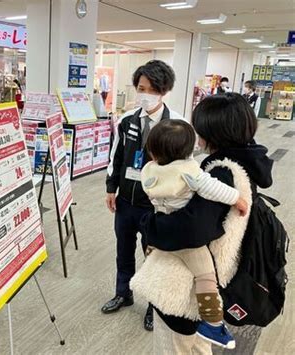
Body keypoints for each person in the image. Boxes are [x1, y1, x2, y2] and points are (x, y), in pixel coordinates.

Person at [132, 93, 273, 353]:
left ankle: (213, 321)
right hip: (202, 282)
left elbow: (190, 230)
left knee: (175, 347)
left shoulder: (220, 171)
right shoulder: (247, 162)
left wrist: (147, 224)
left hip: (182, 288)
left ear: (212, 130)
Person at [142, 119, 250, 349]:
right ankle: (212, 322)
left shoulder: (152, 171)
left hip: (162, 236)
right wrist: (236, 199)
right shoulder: (190, 171)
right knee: (206, 276)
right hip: (189, 248)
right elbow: (213, 189)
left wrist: (149, 227)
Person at [102, 60, 183, 332]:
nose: (145, 94)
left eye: (151, 89)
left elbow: (184, 168)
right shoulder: (126, 121)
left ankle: (152, 305)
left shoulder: (177, 125)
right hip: (126, 202)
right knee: (123, 251)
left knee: (154, 257)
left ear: (164, 90)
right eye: (140, 88)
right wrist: (111, 188)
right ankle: (123, 293)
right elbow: (117, 156)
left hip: (156, 207)